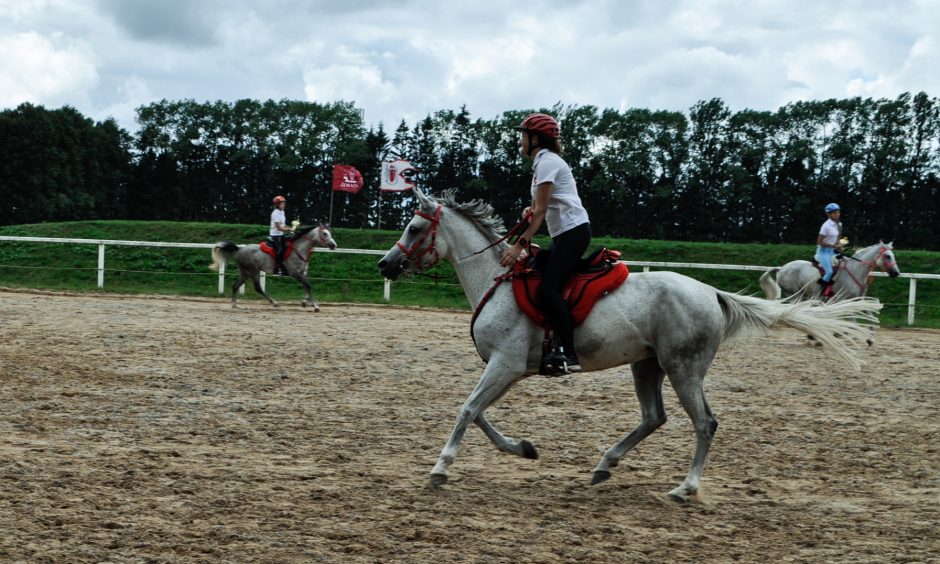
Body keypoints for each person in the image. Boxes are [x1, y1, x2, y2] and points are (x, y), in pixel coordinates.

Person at [499, 113, 591, 375]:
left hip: (573, 232)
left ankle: (569, 354)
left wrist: (518, 245)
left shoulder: (548, 163)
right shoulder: (543, 163)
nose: (520, 141)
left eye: (523, 136)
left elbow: (541, 214)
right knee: (539, 268)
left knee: (547, 290)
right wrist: (531, 208)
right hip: (565, 233)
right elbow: (541, 207)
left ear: (535, 139)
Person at [815, 202, 843, 288]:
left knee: (845, 267)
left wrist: (840, 247)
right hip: (823, 252)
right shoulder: (825, 226)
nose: (837, 214)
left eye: (838, 212)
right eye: (834, 213)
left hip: (833, 251)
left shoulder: (839, 224)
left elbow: (838, 238)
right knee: (829, 272)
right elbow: (819, 242)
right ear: (829, 214)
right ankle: (822, 292)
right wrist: (834, 246)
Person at [270, 195, 292, 275]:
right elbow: (279, 228)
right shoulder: (275, 214)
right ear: (277, 205)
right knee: (281, 250)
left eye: (284, 203)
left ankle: (284, 268)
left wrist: (291, 227)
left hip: (281, 234)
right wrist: (289, 229)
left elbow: (283, 225)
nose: (284, 205)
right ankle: (276, 269)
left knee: (287, 248)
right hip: (275, 235)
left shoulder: (282, 212)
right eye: (282, 203)